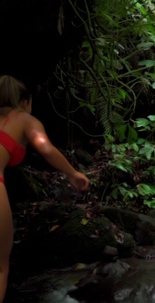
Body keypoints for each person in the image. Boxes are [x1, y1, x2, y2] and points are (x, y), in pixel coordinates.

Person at [0, 75, 90, 302]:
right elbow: (45, 148)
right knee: (0, 267)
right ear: (25, 101)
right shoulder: (24, 119)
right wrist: (73, 173)